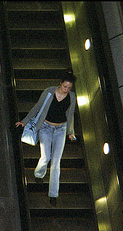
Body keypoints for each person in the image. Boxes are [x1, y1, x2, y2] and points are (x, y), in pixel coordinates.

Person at [15, 70, 77, 206]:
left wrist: (71, 132)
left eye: (69, 88)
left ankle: (53, 194)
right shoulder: (49, 92)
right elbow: (37, 106)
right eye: (64, 86)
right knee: (46, 157)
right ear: (60, 83)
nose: (66, 89)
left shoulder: (72, 97)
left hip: (61, 129)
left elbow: (70, 115)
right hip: (45, 127)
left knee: (56, 163)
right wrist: (24, 121)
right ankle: (39, 174)